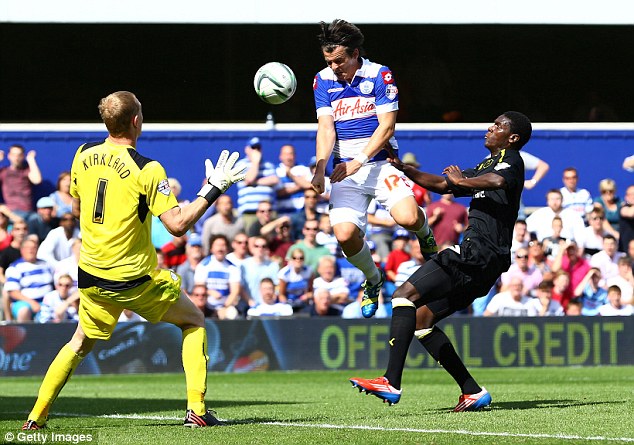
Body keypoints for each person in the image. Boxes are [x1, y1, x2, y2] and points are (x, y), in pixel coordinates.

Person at [21, 91, 246, 430]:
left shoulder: (82, 154)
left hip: (92, 275)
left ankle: (35, 418)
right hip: (131, 278)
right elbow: (178, 225)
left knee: (79, 341)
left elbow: (79, 207)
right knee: (194, 321)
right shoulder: (147, 168)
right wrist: (212, 189)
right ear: (136, 120)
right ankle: (196, 410)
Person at [349, 111, 532, 411]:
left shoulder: (511, 161)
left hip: (478, 253)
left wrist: (463, 179)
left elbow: (498, 181)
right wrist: (403, 168)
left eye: (498, 126)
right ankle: (472, 391)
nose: (490, 128)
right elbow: (445, 185)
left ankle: (390, 381)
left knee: (403, 295)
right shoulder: (486, 165)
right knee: (422, 320)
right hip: (486, 264)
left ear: (512, 138)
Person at [311, 19, 437, 320]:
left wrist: (359, 160)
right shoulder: (322, 80)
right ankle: (373, 278)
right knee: (343, 235)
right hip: (345, 170)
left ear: (355, 54)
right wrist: (319, 168)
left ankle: (426, 234)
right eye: (329, 61)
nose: (334, 67)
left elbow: (387, 126)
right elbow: (326, 128)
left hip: (380, 163)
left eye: (340, 60)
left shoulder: (380, 74)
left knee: (407, 218)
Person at [3, 238, 54, 322]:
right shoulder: (15, 267)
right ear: (22, 250)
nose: (31, 250)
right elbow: (12, 291)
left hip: (47, 302)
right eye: (28, 248)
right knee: (24, 311)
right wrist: (32, 303)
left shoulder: (46, 264)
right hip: (25, 303)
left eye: (34, 248)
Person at [194, 234, 242, 320]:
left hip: (225, 306)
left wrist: (224, 307)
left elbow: (235, 291)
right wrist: (210, 292)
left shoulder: (232, 267)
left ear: (227, 249)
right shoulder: (203, 265)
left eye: (223, 245)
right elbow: (199, 287)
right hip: (206, 306)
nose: (220, 248)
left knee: (232, 314)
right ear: (211, 248)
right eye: (217, 245)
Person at [236, 137, 279, 230]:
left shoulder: (268, 165)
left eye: (258, 148)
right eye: (253, 148)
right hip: (249, 213)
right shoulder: (240, 165)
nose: (256, 150)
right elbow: (249, 179)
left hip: (269, 212)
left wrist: (255, 182)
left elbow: (275, 180)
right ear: (247, 149)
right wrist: (255, 162)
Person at [0, 144, 43, 220]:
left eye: (19, 155)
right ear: (9, 156)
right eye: (13, 155)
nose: (16, 158)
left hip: (29, 213)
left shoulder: (26, 171)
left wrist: (31, 160)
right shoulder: (4, 172)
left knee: (37, 219)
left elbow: (37, 180)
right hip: (11, 214)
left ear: (23, 156)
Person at [275, 144, 311, 215]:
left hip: (301, 213)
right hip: (282, 213)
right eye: (285, 154)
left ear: (295, 156)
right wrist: (301, 184)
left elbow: (310, 186)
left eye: (290, 154)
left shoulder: (304, 169)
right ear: (280, 156)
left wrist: (291, 176)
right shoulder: (275, 171)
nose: (288, 157)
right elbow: (278, 192)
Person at [277, 247, 314, 311]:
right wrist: (286, 306)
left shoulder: (308, 271)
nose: (298, 260)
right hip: (288, 303)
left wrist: (307, 296)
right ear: (291, 259)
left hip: (303, 303)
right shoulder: (284, 274)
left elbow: (311, 291)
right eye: (295, 258)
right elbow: (281, 295)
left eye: (301, 258)